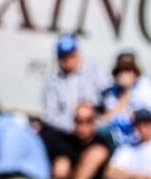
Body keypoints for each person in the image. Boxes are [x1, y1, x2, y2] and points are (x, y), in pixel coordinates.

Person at [39, 34, 110, 162]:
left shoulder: (96, 72)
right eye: (63, 57)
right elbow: (51, 116)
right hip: (68, 135)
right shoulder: (52, 83)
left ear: (78, 53)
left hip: (95, 131)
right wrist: (75, 127)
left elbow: (109, 101)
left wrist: (93, 124)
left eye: (71, 55)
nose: (68, 60)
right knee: (61, 166)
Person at [100, 51, 151, 146]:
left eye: (128, 70)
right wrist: (126, 94)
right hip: (118, 145)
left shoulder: (146, 89)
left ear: (136, 72)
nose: (123, 74)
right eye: (120, 70)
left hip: (143, 144)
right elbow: (104, 122)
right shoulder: (111, 92)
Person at [49, 101, 110, 179]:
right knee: (61, 165)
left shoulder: (101, 144)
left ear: (94, 122)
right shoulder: (67, 142)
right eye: (79, 121)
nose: (83, 125)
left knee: (96, 154)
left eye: (88, 120)